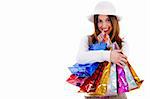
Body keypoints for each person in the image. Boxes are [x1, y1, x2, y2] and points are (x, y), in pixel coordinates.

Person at [75, 1, 128, 99]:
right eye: (100, 21)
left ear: (114, 21)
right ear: (96, 22)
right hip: (93, 95)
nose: (104, 25)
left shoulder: (123, 43)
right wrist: (108, 55)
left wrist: (108, 46)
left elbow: (122, 65)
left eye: (108, 20)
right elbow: (80, 58)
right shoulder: (87, 39)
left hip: (117, 96)